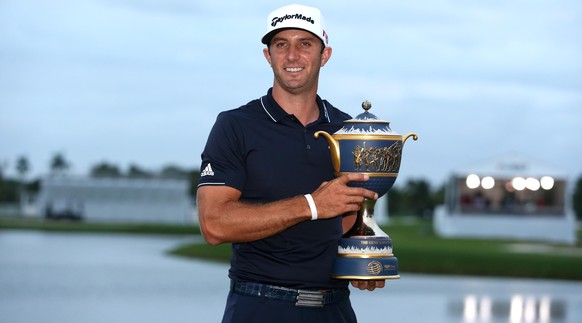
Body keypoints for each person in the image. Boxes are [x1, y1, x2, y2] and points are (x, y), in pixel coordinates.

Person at [197, 4, 385, 322]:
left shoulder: (349, 131)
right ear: (268, 56)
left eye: (305, 44)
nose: (292, 55)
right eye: (281, 44)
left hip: (335, 309)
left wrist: (361, 254)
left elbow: (350, 218)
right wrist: (312, 205)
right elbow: (214, 224)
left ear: (324, 55)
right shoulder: (235, 125)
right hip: (258, 306)